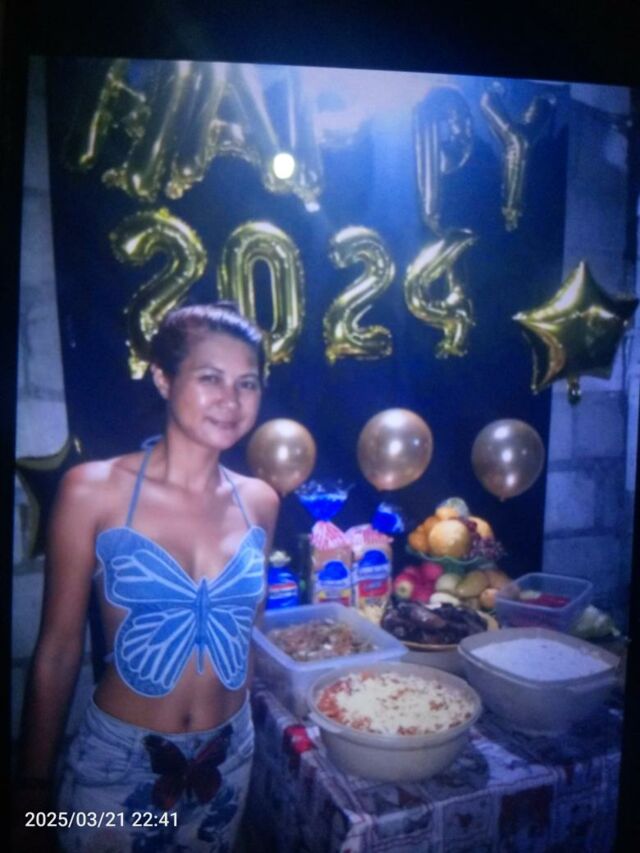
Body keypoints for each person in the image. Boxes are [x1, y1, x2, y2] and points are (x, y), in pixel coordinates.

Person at [15, 302, 280, 852]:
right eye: (210, 378)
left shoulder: (260, 500)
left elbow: (249, 633)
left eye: (247, 383)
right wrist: (31, 788)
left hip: (228, 757)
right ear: (162, 378)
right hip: (120, 762)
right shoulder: (93, 491)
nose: (231, 400)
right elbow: (58, 649)